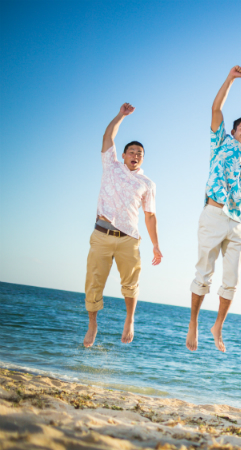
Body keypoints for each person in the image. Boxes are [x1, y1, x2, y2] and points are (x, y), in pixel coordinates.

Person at [186, 66, 241, 353]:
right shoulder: (220, 143)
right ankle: (194, 322)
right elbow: (216, 108)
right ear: (233, 131)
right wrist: (231, 79)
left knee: (232, 280)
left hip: (238, 223)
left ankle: (218, 325)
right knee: (203, 274)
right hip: (214, 214)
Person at [84, 103, 162, 348]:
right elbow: (108, 137)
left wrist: (156, 245)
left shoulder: (147, 184)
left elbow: (150, 216)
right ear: (124, 155)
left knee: (131, 283)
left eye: (140, 153)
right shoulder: (111, 166)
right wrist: (121, 115)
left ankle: (129, 319)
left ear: (142, 159)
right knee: (94, 282)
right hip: (102, 233)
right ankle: (93, 324)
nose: (135, 155)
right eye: (132, 151)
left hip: (129, 239)